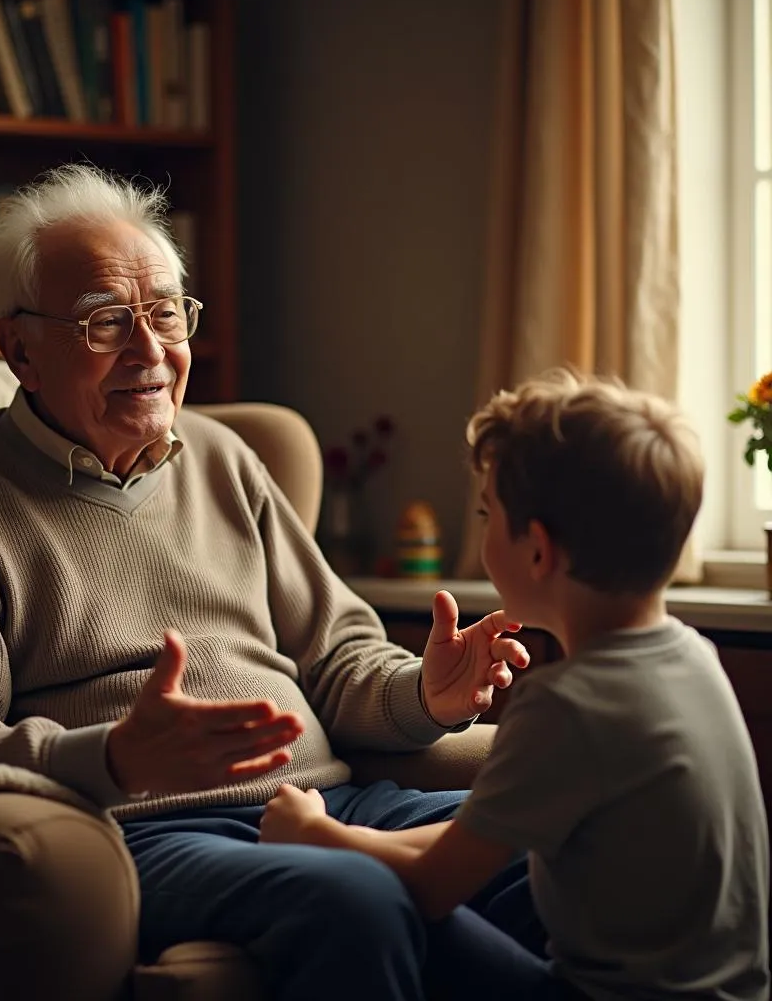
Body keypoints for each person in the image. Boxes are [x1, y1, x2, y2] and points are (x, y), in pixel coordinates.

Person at [0, 162, 539, 1000]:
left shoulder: (224, 458)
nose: (150, 351)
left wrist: (424, 697)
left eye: (166, 314)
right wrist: (111, 754)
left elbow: (338, 655)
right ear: (20, 350)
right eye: (107, 321)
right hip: (143, 831)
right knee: (355, 899)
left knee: (549, 849)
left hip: (329, 801)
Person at [260, 370, 771, 1001]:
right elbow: (480, 833)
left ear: (538, 551)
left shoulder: (566, 706)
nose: (481, 530)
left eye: (486, 513)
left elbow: (431, 885)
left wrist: (317, 835)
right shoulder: (694, 659)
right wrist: (363, 837)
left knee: (358, 908)